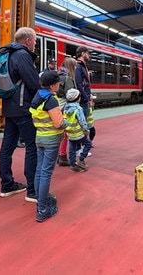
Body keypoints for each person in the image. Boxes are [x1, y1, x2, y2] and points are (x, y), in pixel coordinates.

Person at [0, 27, 40, 199]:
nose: (35, 44)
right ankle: (32, 191)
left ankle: (7, 185)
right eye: (35, 41)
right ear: (28, 40)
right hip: (23, 109)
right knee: (32, 147)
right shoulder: (22, 55)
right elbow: (33, 83)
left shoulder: (7, 54)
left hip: (10, 108)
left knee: (7, 147)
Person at [29, 71, 68, 222]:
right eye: (58, 83)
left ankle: (40, 201)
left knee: (39, 171)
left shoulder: (38, 97)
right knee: (46, 173)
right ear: (52, 85)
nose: (59, 85)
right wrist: (68, 123)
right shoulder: (51, 100)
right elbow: (58, 123)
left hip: (40, 138)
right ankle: (42, 210)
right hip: (51, 140)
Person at [63, 88, 92, 172]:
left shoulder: (65, 108)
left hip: (70, 133)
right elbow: (82, 122)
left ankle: (73, 164)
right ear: (78, 98)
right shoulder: (78, 109)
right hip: (79, 133)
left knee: (72, 148)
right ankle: (81, 159)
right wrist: (86, 131)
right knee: (88, 144)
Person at [56, 57, 77, 166]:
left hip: (57, 105)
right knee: (66, 133)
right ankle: (63, 156)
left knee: (59, 132)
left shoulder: (57, 75)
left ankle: (59, 155)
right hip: (65, 107)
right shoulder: (68, 78)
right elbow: (70, 95)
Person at [74, 46, 96, 144]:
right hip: (83, 101)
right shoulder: (79, 66)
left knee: (84, 122)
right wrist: (87, 98)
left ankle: (83, 144)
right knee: (82, 123)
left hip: (84, 99)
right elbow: (79, 84)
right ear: (83, 53)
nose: (89, 55)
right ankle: (81, 146)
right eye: (88, 53)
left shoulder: (82, 66)